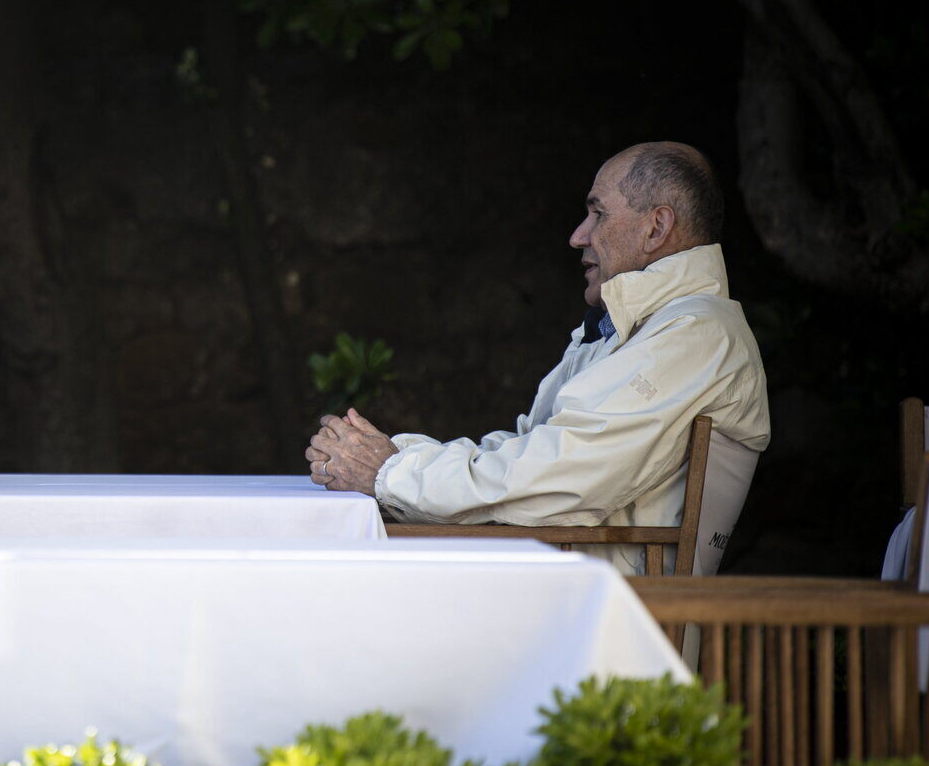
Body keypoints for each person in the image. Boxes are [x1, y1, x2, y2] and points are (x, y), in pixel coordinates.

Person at [304, 141, 769, 574]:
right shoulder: (637, 326)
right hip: (563, 592)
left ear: (656, 228)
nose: (578, 236)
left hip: (612, 616)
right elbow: (527, 453)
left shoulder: (697, 334)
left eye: (598, 214)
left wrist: (389, 473)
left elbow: (558, 479)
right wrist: (391, 458)